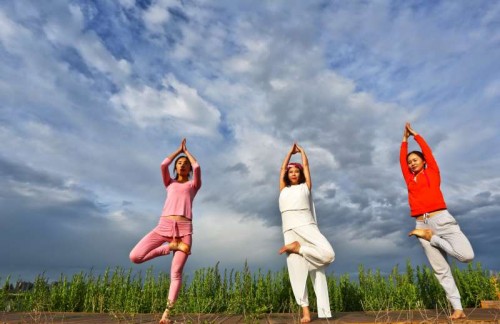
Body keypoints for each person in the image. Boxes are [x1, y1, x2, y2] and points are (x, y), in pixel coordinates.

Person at [400, 123, 474, 320]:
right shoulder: (409, 179)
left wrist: (416, 135)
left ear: (424, 161)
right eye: (410, 162)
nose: (412, 163)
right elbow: (401, 160)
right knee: (441, 270)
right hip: (421, 224)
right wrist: (404, 141)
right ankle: (457, 308)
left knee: (466, 256)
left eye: (415, 160)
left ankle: (432, 238)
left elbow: (428, 152)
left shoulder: (432, 172)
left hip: (441, 220)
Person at [129, 138, 201, 324]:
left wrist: (188, 153)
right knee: (135, 257)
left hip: (184, 231)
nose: (183, 165)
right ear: (175, 168)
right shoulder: (169, 183)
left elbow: (198, 167)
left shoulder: (193, 185)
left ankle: (167, 315)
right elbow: (163, 164)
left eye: (186, 164)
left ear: (189, 169)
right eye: (179, 163)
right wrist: (179, 150)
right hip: (163, 227)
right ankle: (169, 247)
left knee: (176, 274)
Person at [278, 143, 335, 323]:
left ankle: (300, 249)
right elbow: (281, 168)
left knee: (327, 256)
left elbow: (307, 166)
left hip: (307, 225)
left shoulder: (306, 187)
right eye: (290, 171)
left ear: (301, 174)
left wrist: (302, 152)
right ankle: (306, 312)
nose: (293, 173)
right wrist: (289, 153)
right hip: (289, 229)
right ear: (287, 175)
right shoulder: (283, 189)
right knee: (297, 271)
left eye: (296, 171)